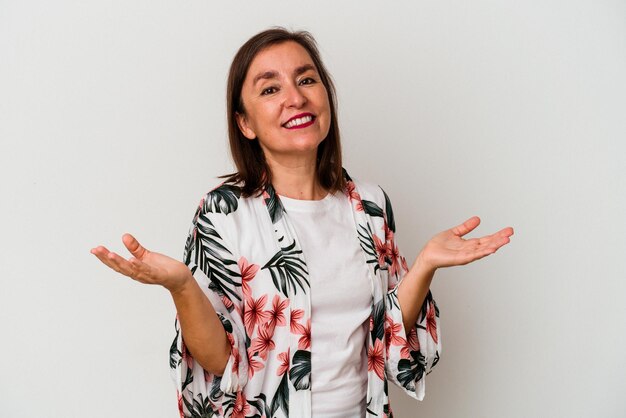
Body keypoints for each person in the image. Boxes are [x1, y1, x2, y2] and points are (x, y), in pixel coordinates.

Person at [91, 28, 514, 418]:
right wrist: (182, 285)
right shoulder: (224, 213)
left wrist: (423, 266)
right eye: (270, 88)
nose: (295, 98)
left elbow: (387, 344)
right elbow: (221, 361)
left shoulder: (371, 206)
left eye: (306, 80)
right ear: (245, 123)